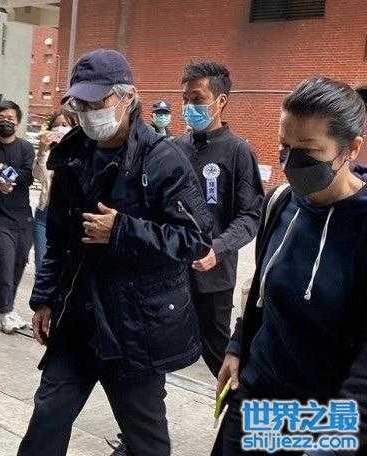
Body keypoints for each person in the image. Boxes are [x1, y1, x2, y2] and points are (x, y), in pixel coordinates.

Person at [17, 49, 212, 456]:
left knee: (145, 440)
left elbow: (194, 239)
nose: (89, 113)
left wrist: (122, 229)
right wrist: (45, 298)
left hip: (134, 326)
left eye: (98, 102)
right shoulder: (73, 153)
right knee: (47, 418)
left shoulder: (163, 159)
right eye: (81, 104)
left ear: (128, 97)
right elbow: (59, 238)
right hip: (78, 317)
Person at [214, 77, 367, 455]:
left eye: (308, 151)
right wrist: (237, 346)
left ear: (351, 149)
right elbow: (261, 291)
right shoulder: (281, 202)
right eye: (285, 147)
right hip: (255, 398)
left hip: (322, 417)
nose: (292, 163)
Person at [174, 61, 264, 378]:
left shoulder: (238, 152)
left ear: (220, 101)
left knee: (216, 353)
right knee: (158, 349)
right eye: (185, 99)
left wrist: (219, 248)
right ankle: (149, 411)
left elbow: (250, 214)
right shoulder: (174, 148)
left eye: (197, 99)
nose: (189, 107)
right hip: (172, 272)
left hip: (214, 278)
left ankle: (235, 405)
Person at [0, 100, 34, 334]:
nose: (5, 122)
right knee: (6, 263)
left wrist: (1, 168)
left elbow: (27, 177)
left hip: (22, 216)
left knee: (20, 262)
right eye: (0, 118)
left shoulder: (25, 148)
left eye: (10, 118)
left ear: (18, 122)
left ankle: (9, 309)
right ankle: (4, 310)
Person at [32, 110, 76, 273]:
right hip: (44, 213)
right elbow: (38, 175)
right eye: (56, 125)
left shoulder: (79, 152)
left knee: (64, 267)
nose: (60, 128)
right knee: (41, 265)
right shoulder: (48, 153)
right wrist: (42, 151)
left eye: (65, 125)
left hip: (68, 216)